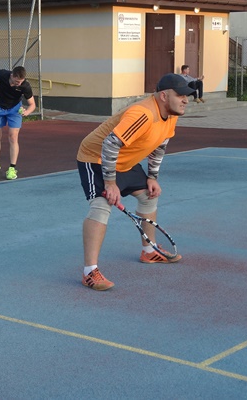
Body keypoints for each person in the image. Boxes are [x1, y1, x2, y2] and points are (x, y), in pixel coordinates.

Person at [76, 73, 193, 291]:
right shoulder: (143, 114)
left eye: (187, 96)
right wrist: (110, 183)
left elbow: (160, 145)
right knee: (101, 206)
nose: (186, 100)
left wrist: (152, 177)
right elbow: (110, 145)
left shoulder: (171, 114)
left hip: (125, 160)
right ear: (164, 96)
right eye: (181, 95)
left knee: (149, 196)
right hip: (96, 157)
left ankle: (149, 251)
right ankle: (89, 271)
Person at [0, 66, 36, 180]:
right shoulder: (3, 74)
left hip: (15, 110)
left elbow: (32, 104)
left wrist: (27, 112)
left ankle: (12, 168)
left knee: (13, 137)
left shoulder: (25, 86)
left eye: (21, 81)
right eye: (17, 81)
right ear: (12, 76)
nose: (19, 83)